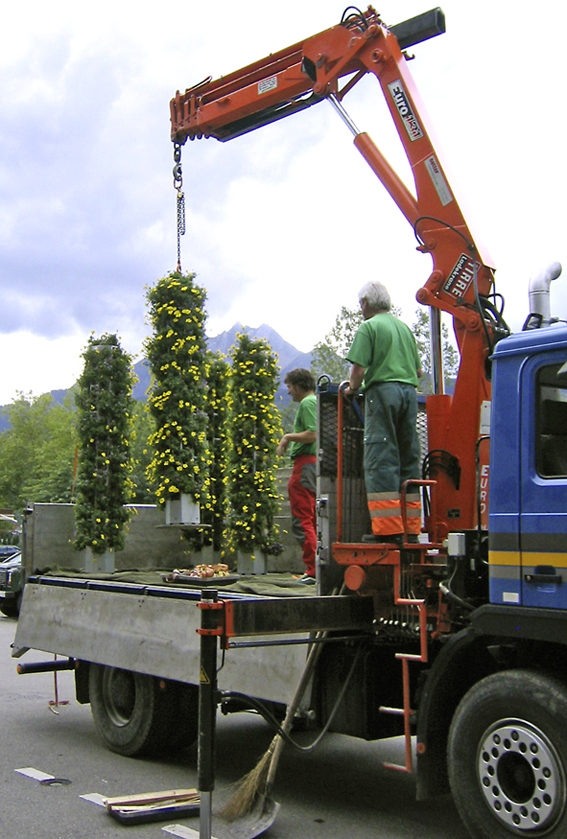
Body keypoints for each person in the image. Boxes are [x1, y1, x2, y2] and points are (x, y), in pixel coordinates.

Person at [344, 281, 422, 543]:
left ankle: (389, 531)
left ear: (365, 303)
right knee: (408, 457)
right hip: (409, 395)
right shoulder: (404, 329)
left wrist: (352, 390)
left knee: (381, 457)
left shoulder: (369, 327)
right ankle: (411, 529)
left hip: (383, 394)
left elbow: (358, 370)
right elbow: (419, 371)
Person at [277, 368, 317, 583]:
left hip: (305, 465)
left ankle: (312, 570)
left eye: (290, 386)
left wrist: (287, 437)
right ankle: (316, 567)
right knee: (311, 517)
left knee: (302, 519)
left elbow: (312, 434)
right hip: (312, 466)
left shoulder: (308, 403)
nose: (289, 391)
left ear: (300, 385)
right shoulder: (314, 403)